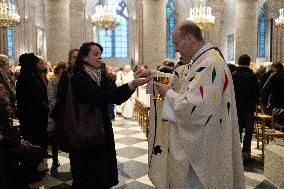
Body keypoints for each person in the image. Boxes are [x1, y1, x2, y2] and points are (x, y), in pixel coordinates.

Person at [135, 20, 245, 188]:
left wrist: (168, 95)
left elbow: (196, 109)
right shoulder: (201, 61)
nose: (176, 49)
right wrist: (153, 76)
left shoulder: (210, 63)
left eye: (176, 43)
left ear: (189, 38)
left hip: (203, 150)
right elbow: (180, 80)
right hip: (200, 146)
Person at [68, 42, 148, 188]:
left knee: (102, 168)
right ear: (84, 57)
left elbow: (116, 98)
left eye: (100, 54)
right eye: (95, 54)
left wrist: (132, 84)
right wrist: (130, 85)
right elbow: (98, 97)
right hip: (85, 127)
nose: (100, 57)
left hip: (102, 126)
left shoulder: (101, 75)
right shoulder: (78, 77)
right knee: (87, 172)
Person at [232, 54, 259, 161]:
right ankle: (246, 153)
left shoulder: (233, 75)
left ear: (239, 62)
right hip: (248, 108)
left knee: (237, 130)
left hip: (236, 108)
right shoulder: (252, 76)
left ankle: (236, 153)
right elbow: (257, 93)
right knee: (248, 132)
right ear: (249, 63)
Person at [47, 61, 67, 169]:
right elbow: (51, 97)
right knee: (55, 137)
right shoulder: (53, 80)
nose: (63, 70)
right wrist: (59, 109)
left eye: (65, 68)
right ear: (58, 69)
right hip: (57, 113)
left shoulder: (69, 79)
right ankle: (55, 160)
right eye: (61, 68)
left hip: (67, 114)